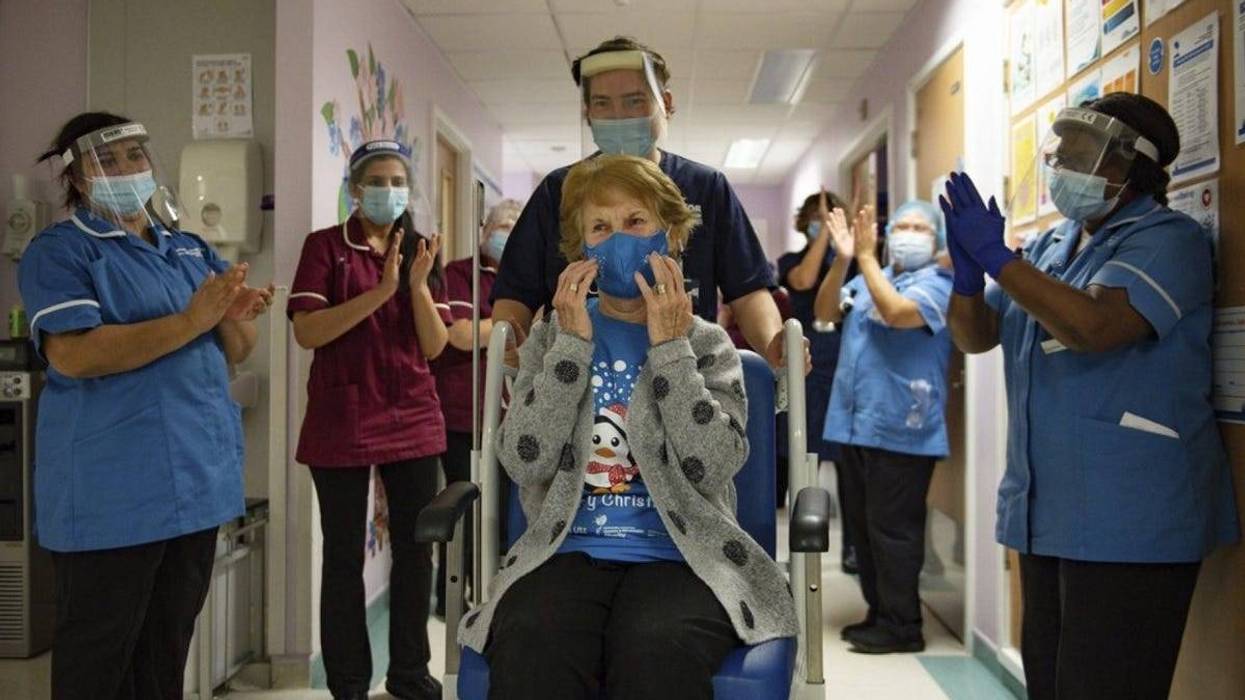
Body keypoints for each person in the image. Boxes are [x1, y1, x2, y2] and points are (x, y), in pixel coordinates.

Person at [457, 155, 797, 700]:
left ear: (672, 235)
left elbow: (709, 465)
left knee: (655, 647)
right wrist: (569, 347)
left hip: (685, 556)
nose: (619, 240)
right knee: (532, 640)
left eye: (636, 222)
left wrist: (669, 350)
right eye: (601, 227)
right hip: (566, 551)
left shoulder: (708, 345)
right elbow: (526, 460)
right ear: (582, 250)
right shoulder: (550, 339)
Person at [943, 93, 1239, 699]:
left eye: (1082, 153)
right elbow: (977, 338)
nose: (1062, 166)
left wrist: (999, 258)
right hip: (1048, 513)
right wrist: (969, 277)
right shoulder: (1055, 246)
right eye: (1063, 151)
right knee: (1051, 685)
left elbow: (1094, 328)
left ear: (1130, 167)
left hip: (1132, 518)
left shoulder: (1169, 240)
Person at [17, 112, 271, 699]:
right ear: (77, 178)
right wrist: (192, 319)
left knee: (165, 652)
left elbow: (236, 347)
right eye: (109, 161)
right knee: (100, 659)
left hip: (194, 487)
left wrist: (232, 315)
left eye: (137, 156)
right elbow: (74, 356)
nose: (129, 169)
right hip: (113, 496)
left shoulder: (185, 248)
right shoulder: (61, 253)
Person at [488, 36, 808, 374]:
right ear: (587, 113)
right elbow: (516, 294)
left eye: (634, 101)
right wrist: (508, 345)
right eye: (602, 103)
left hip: (684, 373)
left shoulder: (706, 188)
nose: (618, 116)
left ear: (666, 103)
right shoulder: (560, 190)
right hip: (579, 381)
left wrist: (773, 343)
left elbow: (748, 291)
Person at [287, 140, 448, 700]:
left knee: (415, 547)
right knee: (341, 556)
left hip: (411, 412)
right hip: (342, 414)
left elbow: (433, 346)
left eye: (396, 181)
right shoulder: (326, 248)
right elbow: (308, 331)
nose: (387, 192)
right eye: (375, 181)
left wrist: (417, 287)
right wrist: (382, 291)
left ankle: (408, 672)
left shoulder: (423, 249)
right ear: (355, 190)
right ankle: (349, 683)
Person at [813, 200, 954, 654]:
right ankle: (879, 613)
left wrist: (868, 257)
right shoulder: (874, 276)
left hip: (903, 428)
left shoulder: (938, 284)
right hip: (856, 425)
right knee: (864, 529)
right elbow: (825, 312)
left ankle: (903, 625)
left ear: (937, 241)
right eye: (902, 225)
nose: (909, 233)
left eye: (920, 227)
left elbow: (896, 314)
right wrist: (844, 259)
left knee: (894, 531)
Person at [431, 197, 522, 616]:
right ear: (485, 229)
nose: (505, 234)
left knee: (506, 512)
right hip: (463, 414)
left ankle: (498, 596)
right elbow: (461, 335)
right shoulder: (459, 274)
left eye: (514, 227)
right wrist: (517, 323)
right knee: (464, 511)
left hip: (516, 418)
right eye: (499, 226)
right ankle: (454, 600)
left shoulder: (528, 277)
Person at [777, 188, 856, 571]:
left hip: (846, 365)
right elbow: (805, 281)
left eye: (827, 218)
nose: (819, 225)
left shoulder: (851, 263)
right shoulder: (791, 261)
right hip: (807, 365)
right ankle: (802, 548)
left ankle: (854, 550)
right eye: (814, 219)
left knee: (848, 461)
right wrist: (825, 232)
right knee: (803, 455)